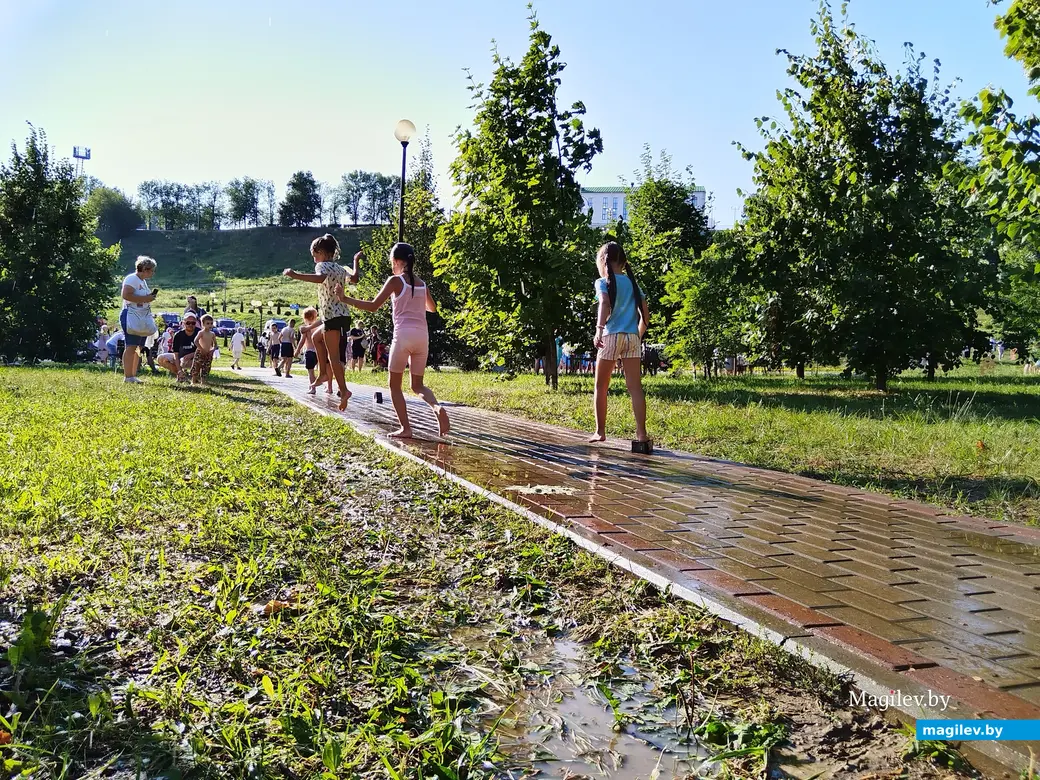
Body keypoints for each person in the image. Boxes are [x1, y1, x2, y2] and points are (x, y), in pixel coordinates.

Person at [335, 242, 449, 438]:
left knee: (394, 385)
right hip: (422, 337)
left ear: (396, 261)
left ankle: (406, 428)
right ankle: (437, 407)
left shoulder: (395, 281)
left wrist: (345, 299)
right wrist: (416, 302)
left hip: (403, 336)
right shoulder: (422, 284)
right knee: (418, 385)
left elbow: (373, 306)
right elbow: (432, 308)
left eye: (391, 262)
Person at [282, 234, 361, 410]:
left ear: (322, 253)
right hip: (341, 315)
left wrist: (295, 275)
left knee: (333, 357)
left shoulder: (322, 265)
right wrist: (355, 261)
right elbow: (355, 278)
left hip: (332, 316)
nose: (314, 259)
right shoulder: (340, 269)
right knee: (316, 337)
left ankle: (344, 390)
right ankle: (323, 374)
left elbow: (320, 278)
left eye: (314, 255)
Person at [589, 241, 650, 446]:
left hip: (611, 336)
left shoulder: (602, 282)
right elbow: (646, 316)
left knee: (601, 386)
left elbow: (604, 303)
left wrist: (599, 329)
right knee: (635, 388)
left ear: (602, 261)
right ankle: (641, 434)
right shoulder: (633, 284)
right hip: (632, 337)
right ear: (623, 262)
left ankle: (600, 432)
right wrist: (637, 335)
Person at [119, 256, 159, 384]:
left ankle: (133, 375)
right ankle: (128, 376)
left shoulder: (142, 281)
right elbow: (126, 295)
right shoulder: (132, 278)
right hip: (131, 315)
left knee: (138, 347)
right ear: (145, 269)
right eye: (152, 270)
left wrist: (148, 298)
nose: (153, 273)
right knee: (131, 346)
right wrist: (146, 299)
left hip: (141, 316)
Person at [296, 307, 331, 395]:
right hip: (320, 351)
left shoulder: (306, 328)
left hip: (310, 351)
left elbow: (302, 341)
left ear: (304, 318)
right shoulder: (319, 327)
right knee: (324, 369)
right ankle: (328, 386)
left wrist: (297, 350)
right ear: (315, 316)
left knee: (310, 371)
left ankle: (313, 388)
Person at [158, 312, 200, 382]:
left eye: (193, 323)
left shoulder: (200, 333)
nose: (190, 325)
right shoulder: (178, 335)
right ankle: (181, 374)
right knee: (161, 358)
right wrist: (179, 370)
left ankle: (196, 376)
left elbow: (204, 349)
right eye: (188, 323)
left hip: (195, 359)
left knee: (201, 358)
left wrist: (191, 355)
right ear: (183, 323)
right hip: (180, 358)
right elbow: (176, 354)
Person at [191, 315, 218, 385]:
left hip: (208, 353)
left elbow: (215, 344)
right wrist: (201, 349)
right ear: (203, 324)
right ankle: (193, 381)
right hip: (200, 352)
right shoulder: (201, 333)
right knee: (196, 366)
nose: (210, 325)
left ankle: (203, 382)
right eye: (208, 323)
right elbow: (195, 341)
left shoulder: (212, 334)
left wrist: (212, 350)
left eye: (211, 323)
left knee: (206, 367)